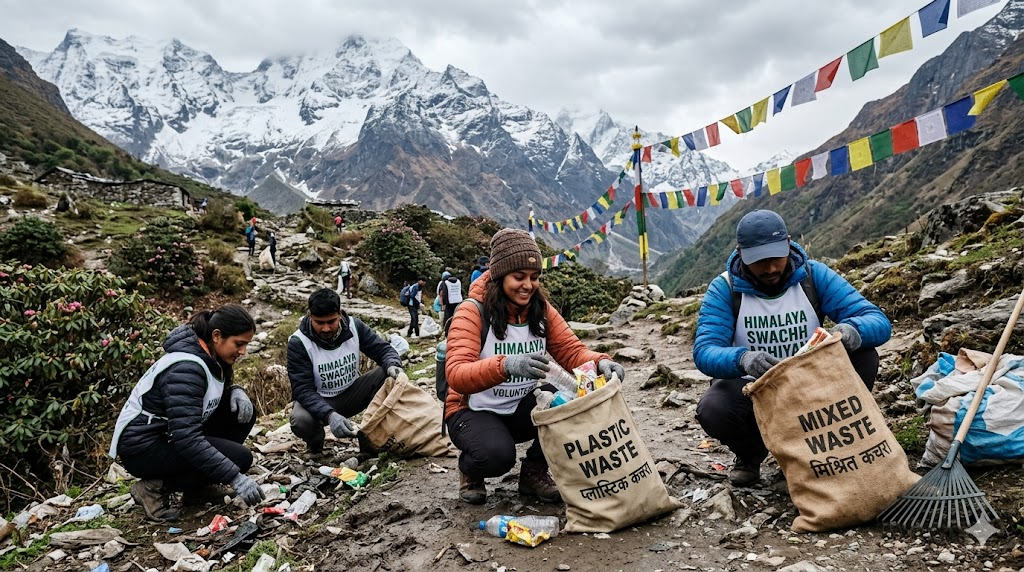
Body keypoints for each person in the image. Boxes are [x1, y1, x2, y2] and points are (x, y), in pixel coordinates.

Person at [693, 210, 892, 487]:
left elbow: (877, 320)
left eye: (776, 257)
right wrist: (743, 359)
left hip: (813, 384)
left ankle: (836, 445)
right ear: (740, 254)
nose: (770, 269)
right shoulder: (725, 288)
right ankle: (750, 454)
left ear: (788, 244)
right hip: (757, 390)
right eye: (759, 261)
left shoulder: (813, 275)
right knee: (714, 408)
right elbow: (705, 350)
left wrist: (851, 331)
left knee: (864, 356)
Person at [444, 229, 627, 504]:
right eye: (519, 277)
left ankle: (533, 473)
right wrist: (507, 365)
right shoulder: (472, 311)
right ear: (500, 276)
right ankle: (471, 469)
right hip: (472, 410)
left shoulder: (540, 309)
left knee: (571, 401)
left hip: (519, 404)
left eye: (534, 277)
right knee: (496, 456)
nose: (528, 285)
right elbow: (457, 374)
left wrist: (602, 362)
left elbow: (571, 350)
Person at [109, 305, 264, 522]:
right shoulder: (186, 368)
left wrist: (236, 391)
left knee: (239, 412)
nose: (243, 351)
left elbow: (206, 396)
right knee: (239, 459)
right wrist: (234, 477)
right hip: (143, 448)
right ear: (216, 336)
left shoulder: (210, 355)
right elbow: (187, 438)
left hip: (167, 434)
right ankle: (153, 487)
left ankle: (197, 489)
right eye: (239, 344)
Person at [287, 288, 404, 454]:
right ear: (309, 316)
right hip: (321, 399)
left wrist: (393, 364)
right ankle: (316, 446)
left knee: (390, 375)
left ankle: (376, 438)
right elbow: (302, 389)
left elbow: (383, 349)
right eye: (319, 323)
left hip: (353, 393)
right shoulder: (299, 342)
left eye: (331, 322)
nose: (326, 329)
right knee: (300, 419)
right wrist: (330, 415)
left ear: (340, 314)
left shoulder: (354, 327)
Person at [439, 270, 464, 336]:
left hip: (449, 303)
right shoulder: (458, 281)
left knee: (448, 318)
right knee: (457, 316)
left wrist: (443, 304)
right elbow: (461, 291)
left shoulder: (445, 283)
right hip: (458, 302)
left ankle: (447, 333)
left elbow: (443, 294)